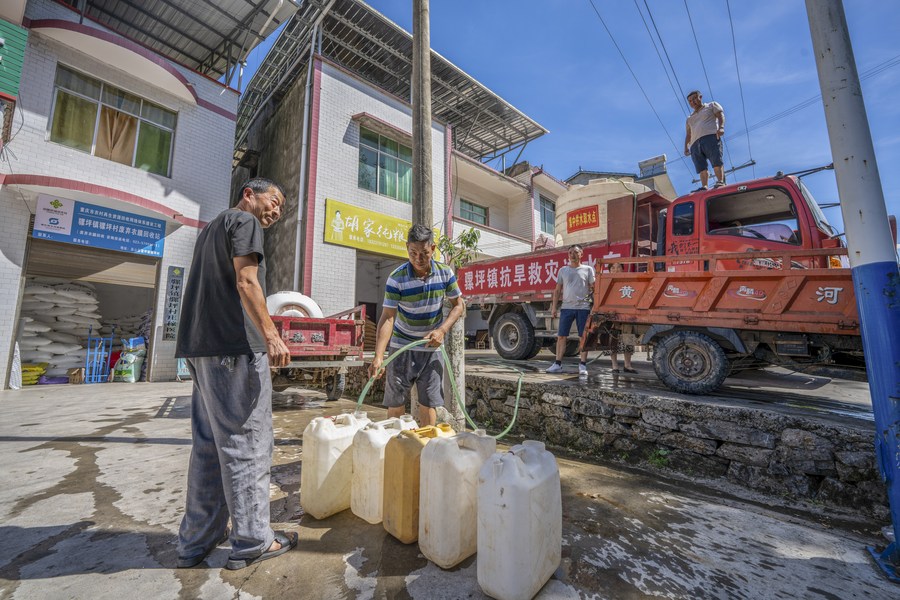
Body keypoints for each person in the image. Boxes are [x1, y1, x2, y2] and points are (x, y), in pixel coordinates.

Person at [174, 177, 297, 571]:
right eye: (272, 201)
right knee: (247, 442)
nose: (275, 211)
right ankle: (252, 541)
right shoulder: (244, 223)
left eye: (281, 208)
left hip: (200, 349)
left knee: (210, 446)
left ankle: (197, 540)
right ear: (249, 194)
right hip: (233, 349)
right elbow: (247, 282)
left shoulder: (211, 228)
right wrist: (272, 335)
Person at [368, 224, 465, 426]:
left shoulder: (445, 274)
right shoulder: (397, 279)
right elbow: (387, 317)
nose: (418, 259)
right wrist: (378, 356)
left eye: (424, 253)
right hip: (401, 349)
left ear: (434, 249)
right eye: (413, 253)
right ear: (407, 248)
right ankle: (396, 446)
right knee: (395, 402)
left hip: (431, 348)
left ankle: (426, 449)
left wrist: (442, 330)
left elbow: (459, 305)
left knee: (428, 404)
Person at [546, 244, 595, 376]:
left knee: (583, 337)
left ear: (581, 254)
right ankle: (557, 364)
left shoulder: (588, 269)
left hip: (583, 308)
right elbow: (557, 290)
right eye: (570, 252)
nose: (572, 255)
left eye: (576, 252)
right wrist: (554, 307)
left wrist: (594, 306)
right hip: (566, 308)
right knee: (561, 336)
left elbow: (594, 289)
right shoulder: (563, 270)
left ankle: (583, 365)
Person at [683, 90, 726, 191]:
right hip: (694, 144)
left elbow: (720, 115)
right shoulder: (689, 118)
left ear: (700, 97)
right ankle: (704, 186)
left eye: (694, 98)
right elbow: (688, 134)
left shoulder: (711, 105)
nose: (692, 102)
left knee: (716, 160)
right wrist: (686, 147)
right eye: (690, 101)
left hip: (710, 137)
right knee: (701, 167)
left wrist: (721, 127)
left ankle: (720, 181)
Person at [607, 263, 637, 374]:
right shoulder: (606, 282)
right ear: (609, 270)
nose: (616, 270)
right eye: (613, 268)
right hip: (611, 316)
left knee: (628, 339)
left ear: (623, 269)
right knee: (612, 341)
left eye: (619, 267)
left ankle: (627, 365)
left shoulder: (628, 282)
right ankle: (614, 365)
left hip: (626, 315)